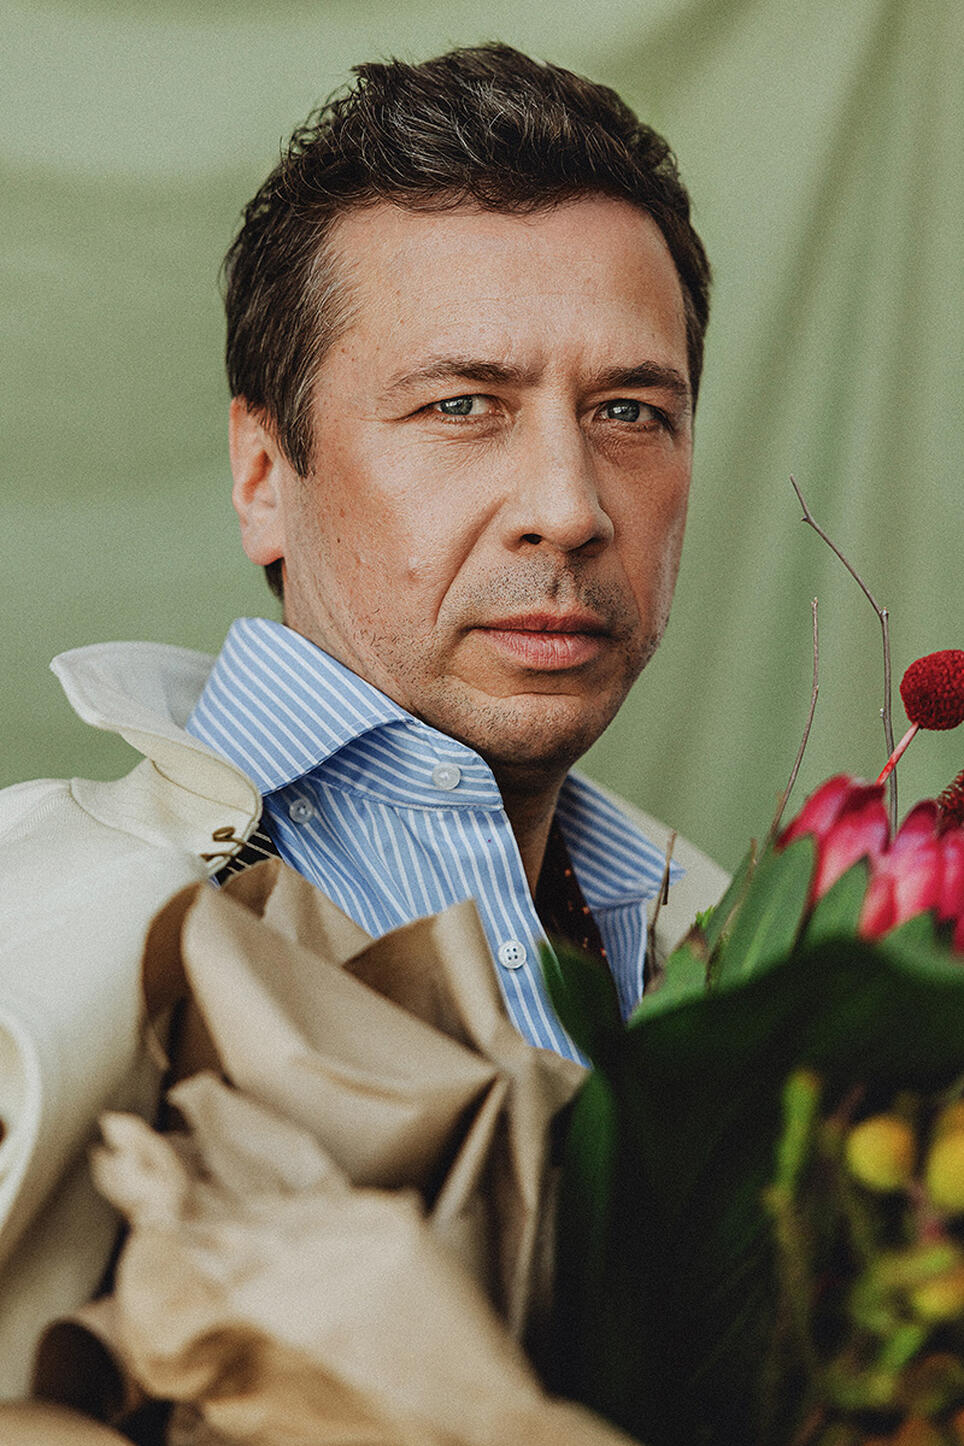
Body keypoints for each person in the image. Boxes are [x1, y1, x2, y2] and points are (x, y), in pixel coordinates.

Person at [0, 43, 727, 1398]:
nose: (569, 505)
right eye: (463, 405)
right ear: (262, 474)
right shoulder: (43, 939)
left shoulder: (739, 948)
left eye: (631, 410)